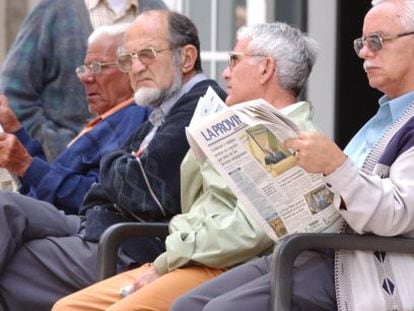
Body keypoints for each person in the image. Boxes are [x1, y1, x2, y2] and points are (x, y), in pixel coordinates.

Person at [52, 21, 319, 311]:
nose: (225, 73)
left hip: (222, 267)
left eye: (234, 60)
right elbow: (204, 206)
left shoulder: (290, 139)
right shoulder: (242, 126)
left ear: (265, 69)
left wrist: (168, 259)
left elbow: (249, 232)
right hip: (189, 255)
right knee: (68, 307)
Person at [170, 0, 414, 310]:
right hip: (315, 250)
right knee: (186, 306)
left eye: (376, 41)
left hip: (359, 266)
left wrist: (336, 166)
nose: (365, 52)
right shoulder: (385, 116)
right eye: (362, 43)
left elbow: (396, 212)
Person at [0, 9, 225, 311]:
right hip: (97, 223)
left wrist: (114, 164)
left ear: (186, 58)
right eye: (128, 59)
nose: (136, 68)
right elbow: (120, 174)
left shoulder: (199, 105)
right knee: (4, 206)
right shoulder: (162, 108)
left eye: (146, 54)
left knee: (13, 263)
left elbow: (143, 191)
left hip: (126, 242)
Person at [0, 24, 150, 214]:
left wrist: (26, 165)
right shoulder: (108, 119)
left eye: (97, 67)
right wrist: (13, 128)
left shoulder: (133, 120)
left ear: (129, 67)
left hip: (72, 231)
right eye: (85, 68)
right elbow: (52, 180)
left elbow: (95, 197)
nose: (85, 78)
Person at [0, 0, 167, 160]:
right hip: (62, 167)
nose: (87, 77)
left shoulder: (158, 13)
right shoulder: (53, 11)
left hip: (136, 166)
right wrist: (55, 146)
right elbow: (12, 92)